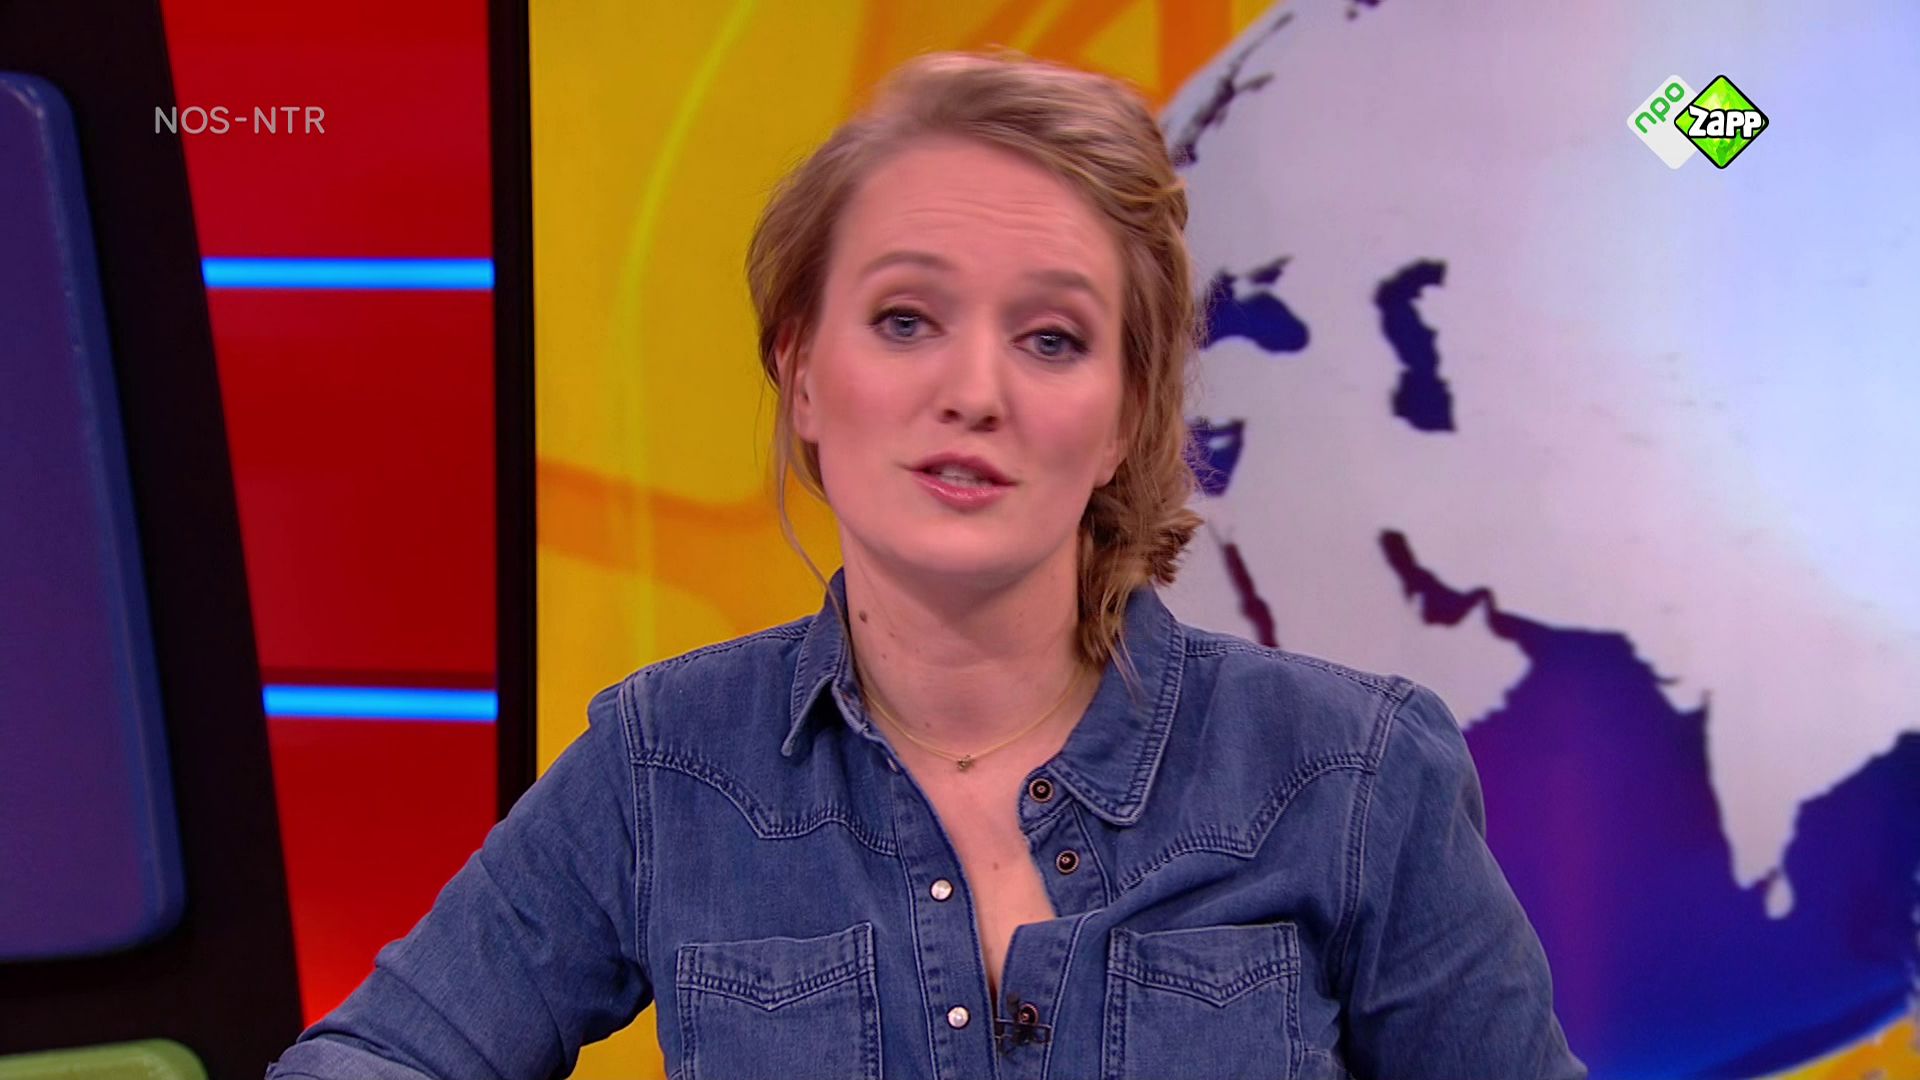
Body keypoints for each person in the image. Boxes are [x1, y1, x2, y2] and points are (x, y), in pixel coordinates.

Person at [265, 49, 1585, 1080]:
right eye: (906, 319)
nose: (974, 391)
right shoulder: (665, 766)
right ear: (802, 374)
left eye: (1052, 339)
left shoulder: (1353, 775)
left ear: (1126, 416)